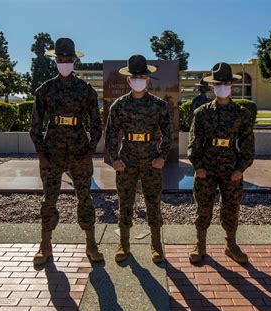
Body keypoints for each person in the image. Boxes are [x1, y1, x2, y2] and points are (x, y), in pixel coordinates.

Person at [30, 37, 103, 265]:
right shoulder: (45, 90)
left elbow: (96, 124)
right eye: (60, 60)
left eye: (68, 60)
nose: (64, 63)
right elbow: (35, 126)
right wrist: (42, 155)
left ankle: (91, 244)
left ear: (74, 61)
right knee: (49, 200)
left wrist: (90, 151)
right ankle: (45, 244)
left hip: (80, 151)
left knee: (85, 198)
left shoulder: (85, 90)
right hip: (52, 152)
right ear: (55, 62)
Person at [105, 54, 172, 263]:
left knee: (153, 202)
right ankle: (123, 244)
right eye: (134, 77)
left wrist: (162, 156)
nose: (138, 80)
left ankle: (156, 244)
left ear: (148, 79)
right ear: (128, 80)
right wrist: (114, 159)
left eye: (142, 77)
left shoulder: (159, 105)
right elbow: (110, 134)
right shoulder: (119, 105)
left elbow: (168, 134)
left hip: (151, 159)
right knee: (125, 202)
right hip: (127, 160)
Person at [187, 62, 255, 264]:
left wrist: (241, 168)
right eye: (218, 84)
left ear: (231, 86)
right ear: (212, 86)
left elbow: (248, 144)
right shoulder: (202, 112)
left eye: (226, 83)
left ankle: (231, 245)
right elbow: (194, 142)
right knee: (203, 208)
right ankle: (200, 244)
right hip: (206, 167)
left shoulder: (242, 113)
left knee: (231, 207)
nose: (222, 87)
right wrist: (197, 165)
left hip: (230, 167)